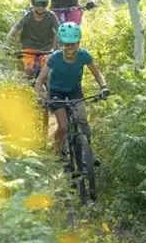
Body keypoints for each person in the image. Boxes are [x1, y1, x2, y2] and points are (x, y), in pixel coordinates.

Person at [33, 21, 109, 159]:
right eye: (67, 44)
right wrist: (39, 95)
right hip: (56, 92)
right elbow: (39, 80)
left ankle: (88, 153)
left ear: (78, 43)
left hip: (75, 89)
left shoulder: (84, 55)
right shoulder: (54, 58)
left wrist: (103, 87)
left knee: (83, 120)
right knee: (63, 126)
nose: (70, 48)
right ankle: (58, 149)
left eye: (73, 44)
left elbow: (97, 73)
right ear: (61, 44)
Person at [4, 0, 59, 77]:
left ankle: (48, 89)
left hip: (46, 49)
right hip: (29, 48)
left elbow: (59, 31)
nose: (41, 7)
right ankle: (27, 88)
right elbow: (15, 29)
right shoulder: (28, 16)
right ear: (33, 3)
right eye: (38, 4)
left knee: (47, 72)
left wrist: (58, 47)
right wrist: (6, 43)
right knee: (28, 69)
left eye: (44, 3)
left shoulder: (51, 16)